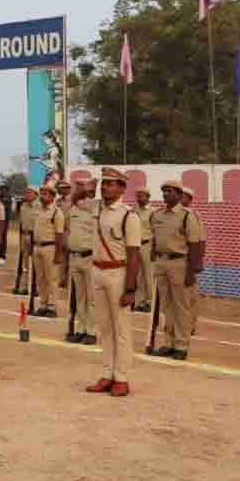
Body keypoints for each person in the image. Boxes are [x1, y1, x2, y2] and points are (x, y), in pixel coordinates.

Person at [85, 167, 142, 397]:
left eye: (111, 183)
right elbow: (77, 197)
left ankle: (122, 377)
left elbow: (134, 254)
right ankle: (107, 373)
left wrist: (130, 288)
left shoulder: (129, 215)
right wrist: (88, 188)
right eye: (104, 183)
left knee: (121, 329)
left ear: (122, 188)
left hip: (118, 273)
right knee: (104, 328)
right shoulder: (96, 208)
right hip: (97, 271)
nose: (105, 186)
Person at [149, 179, 205, 360]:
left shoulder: (188, 216)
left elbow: (195, 244)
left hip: (180, 263)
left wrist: (191, 271)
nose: (166, 194)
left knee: (182, 306)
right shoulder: (157, 215)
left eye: (170, 191)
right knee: (167, 305)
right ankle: (168, 342)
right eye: (164, 191)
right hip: (162, 263)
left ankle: (181, 345)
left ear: (180, 195)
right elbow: (155, 239)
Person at [64, 179, 98, 344]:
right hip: (74, 257)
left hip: (89, 257)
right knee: (79, 297)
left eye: (83, 187)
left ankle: (92, 331)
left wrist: (87, 189)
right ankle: (81, 328)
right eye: (77, 187)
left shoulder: (95, 207)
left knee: (91, 297)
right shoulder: (73, 210)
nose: (79, 190)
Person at [32, 184, 65, 317]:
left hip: (50, 247)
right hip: (37, 246)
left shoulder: (57, 213)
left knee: (51, 278)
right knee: (40, 278)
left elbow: (59, 235)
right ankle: (43, 303)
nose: (42, 196)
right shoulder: (38, 210)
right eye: (42, 193)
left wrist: (58, 253)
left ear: (52, 196)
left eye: (45, 194)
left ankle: (52, 306)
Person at [180, 186, 203, 333]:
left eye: (184, 196)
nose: (181, 198)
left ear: (189, 199)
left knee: (191, 295)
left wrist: (197, 262)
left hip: (189, 260)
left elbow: (201, 240)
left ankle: (191, 324)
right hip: (175, 261)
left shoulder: (194, 215)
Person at [132, 188, 155, 312]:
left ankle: (150, 302)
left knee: (148, 274)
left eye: (142, 196)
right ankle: (139, 302)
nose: (140, 198)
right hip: (135, 246)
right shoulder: (133, 210)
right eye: (138, 196)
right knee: (138, 275)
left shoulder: (152, 212)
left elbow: (156, 231)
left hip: (147, 245)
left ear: (148, 197)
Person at [15, 187, 40, 295]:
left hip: (35, 236)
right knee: (25, 264)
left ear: (36, 194)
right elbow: (21, 222)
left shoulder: (40, 206)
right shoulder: (23, 206)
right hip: (24, 235)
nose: (27, 194)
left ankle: (36, 288)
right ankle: (24, 287)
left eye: (30, 193)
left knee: (37, 264)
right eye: (26, 192)